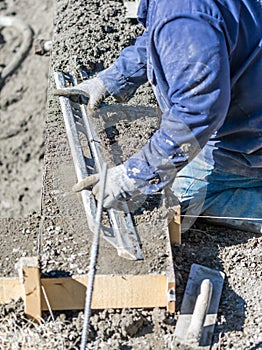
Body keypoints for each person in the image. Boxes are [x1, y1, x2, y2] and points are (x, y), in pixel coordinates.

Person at [55, 0, 262, 233]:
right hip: (250, 101)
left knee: (181, 195)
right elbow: (166, 38)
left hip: (251, 140)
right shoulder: (177, 10)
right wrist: (112, 79)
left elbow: (197, 111)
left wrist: (133, 176)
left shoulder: (185, 14)